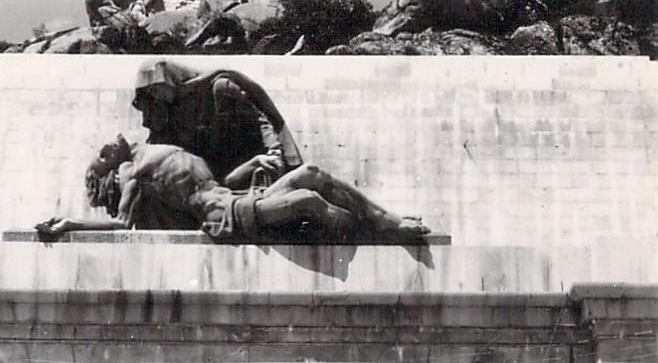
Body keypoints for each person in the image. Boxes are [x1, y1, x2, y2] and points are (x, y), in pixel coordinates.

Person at [38, 134, 430, 248]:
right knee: (307, 199)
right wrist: (70, 223)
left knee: (311, 173)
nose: (104, 146)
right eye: (99, 157)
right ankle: (365, 232)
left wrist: (253, 164)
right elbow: (124, 224)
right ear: (108, 171)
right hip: (225, 218)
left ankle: (383, 219)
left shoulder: (152, 149)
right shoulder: (132, 173)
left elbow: (218, 184)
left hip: (236, 200)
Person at [131, 60, 302, 187]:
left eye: (156, 88)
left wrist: (274, 150)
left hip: (239, 157)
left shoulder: (219, 86)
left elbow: (261, 121)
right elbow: (158, 144)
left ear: (170, 80)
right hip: (202, 170)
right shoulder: (164, 108)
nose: (156, 97)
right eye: (150, 93)